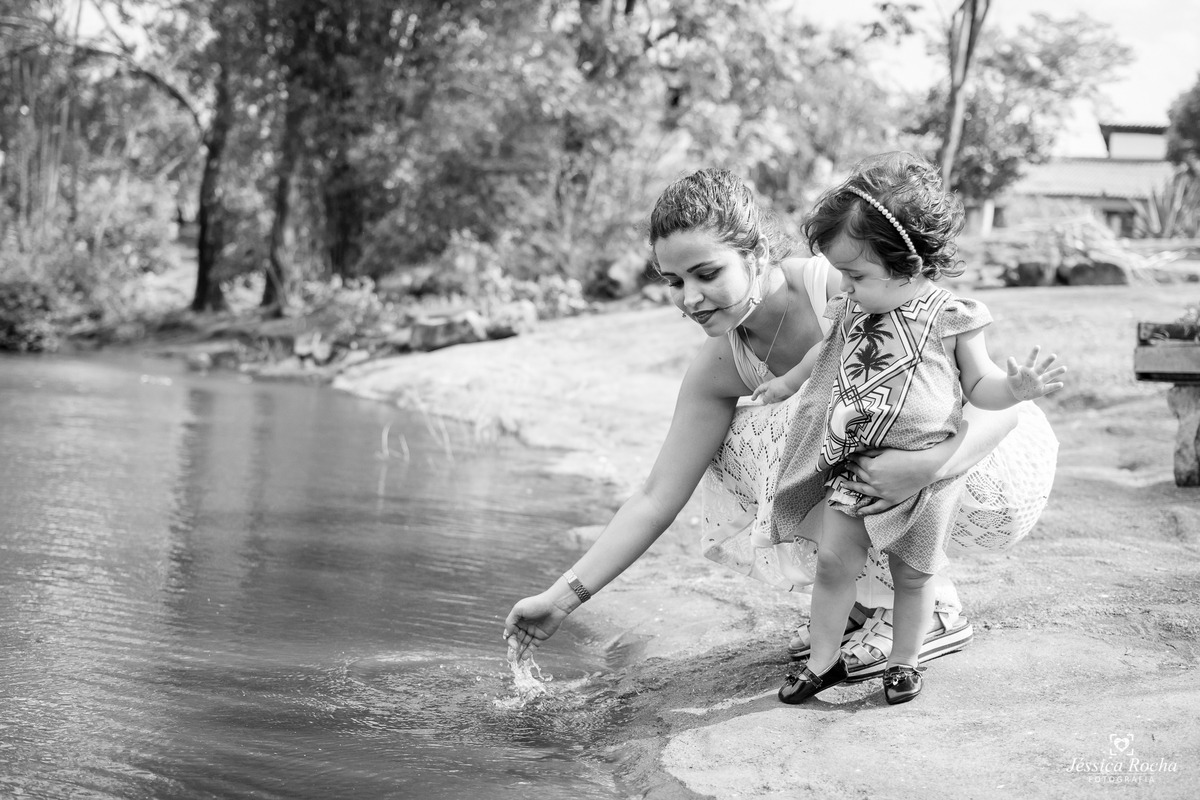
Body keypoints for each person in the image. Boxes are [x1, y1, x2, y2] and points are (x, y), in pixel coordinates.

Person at [503, 166, 1058, 686]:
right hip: (881, 481)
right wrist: (561, 599)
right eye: (673, 280)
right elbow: (656, 496)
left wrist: (924, 467)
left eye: (707, 273)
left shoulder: (842, 282)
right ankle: (864, 601)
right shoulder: (722, 361)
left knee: (804, 418)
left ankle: (931, 608)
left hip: (983, 467)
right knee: (738, 438)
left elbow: (1001, 406)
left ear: (759, 252)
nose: (689, 298)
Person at [754, 152, 1065, 706]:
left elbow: (982, 386)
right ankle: (824, 663)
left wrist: (1015, 389)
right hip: (856, 466)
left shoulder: (953, 317)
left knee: (914, 574)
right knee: (833, 561)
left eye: (856, 274)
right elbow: (818, 358)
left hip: (926, 477)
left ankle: (904, 661)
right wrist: (784, 386)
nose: (845, 287)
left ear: (911, 262)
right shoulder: (853, 310)